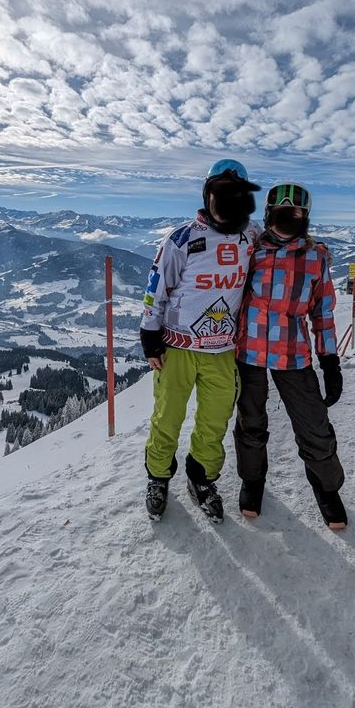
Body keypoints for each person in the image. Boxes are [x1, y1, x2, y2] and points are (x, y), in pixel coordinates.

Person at [140, 159, 261, 523]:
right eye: (221, 192)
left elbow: (284, 247)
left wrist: (314, 247)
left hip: (222, 351)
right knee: (167, 417)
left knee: (214, 421)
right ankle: (158, 477)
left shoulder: (252, 236)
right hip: (177, 348)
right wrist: (149, 334)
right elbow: (155, 287)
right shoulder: (181, 239)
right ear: (207, 195)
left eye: (236, 193)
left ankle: (201, 478)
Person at [234, 182, 347, 529]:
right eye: (282, 210)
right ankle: (252, 480)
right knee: (250, 423)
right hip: (248, 351)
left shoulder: (315, 257)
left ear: (305, 217)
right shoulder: (251, 250)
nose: (289, 215)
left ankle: (326, 488)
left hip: (293, 354)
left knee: (314, 425)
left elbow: (323, 310)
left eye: (296, 211)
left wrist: (329, 359)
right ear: (268, 214)